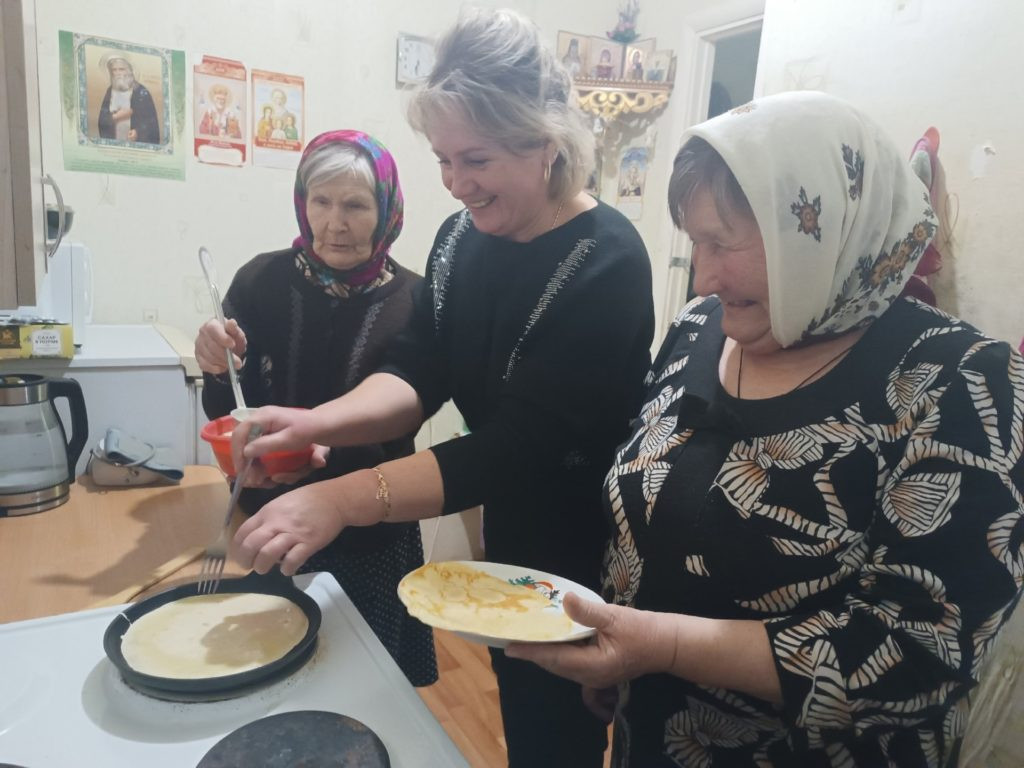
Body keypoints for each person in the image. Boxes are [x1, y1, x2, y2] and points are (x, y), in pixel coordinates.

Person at [505, 90, 1024, 766]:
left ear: (825, 230)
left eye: (724, 243)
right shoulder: (700, 328)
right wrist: (617, 638)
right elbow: (651, 509)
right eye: (696, 241)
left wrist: (662, 645)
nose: (704, 277)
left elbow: (923, 652)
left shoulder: (961, 379)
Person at [228, 9, 655, 767]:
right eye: (443, 159)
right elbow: (417, 369)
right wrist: (313, 422)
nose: (456, 183)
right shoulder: (463, 237)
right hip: (511, 529)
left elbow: (516, 446)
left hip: (588, 547)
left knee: (556, 735)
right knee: (526, 715)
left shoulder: (608, 261)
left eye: (476, 159)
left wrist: (339, 498)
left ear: (546, 142)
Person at [194, 130, 437, 688]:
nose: (334, 223)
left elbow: (407, 415)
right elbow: (228, 409)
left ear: (387, 210)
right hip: (268, 516)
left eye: (355, 205)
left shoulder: (417, 301)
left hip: (372, 523)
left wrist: (325, 452)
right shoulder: (259, 281)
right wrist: (218, 365)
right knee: (267, 669)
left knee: (366, 683)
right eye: (320, 201)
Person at [98, 55, 159, 144]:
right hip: (115, 144)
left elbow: (151, 123)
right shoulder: (110, 91)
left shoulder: (141, 91)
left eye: (121, 69)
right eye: (114, 70)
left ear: (129, 71)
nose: (118, 73)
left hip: (134, 145)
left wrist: (138, 132)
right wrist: (116, 116)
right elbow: (102, 120)